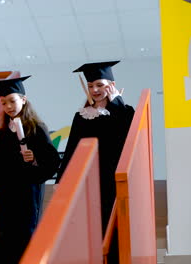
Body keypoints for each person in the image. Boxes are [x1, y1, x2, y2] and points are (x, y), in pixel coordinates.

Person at [55, 61, 135, 263]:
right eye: (91, 86)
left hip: (111, 182)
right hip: (86, 184)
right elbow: (72, 149)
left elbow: (127, 136)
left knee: (112, 233)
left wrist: (117, 100)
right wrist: (61, 183)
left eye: (99, 84)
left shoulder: (124, 111)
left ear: (112, 84)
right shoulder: (81, 116)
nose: (95, 90)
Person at [0, 76, 61, 264]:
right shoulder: (1, 135)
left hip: (27, 198)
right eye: (4, 103)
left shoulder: (37, 129)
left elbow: (52, 162)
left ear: (23, 99)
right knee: (1, 245)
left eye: (12, 101)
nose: (8, 106)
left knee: (23, 245)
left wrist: (35, 160)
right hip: (6, 199)